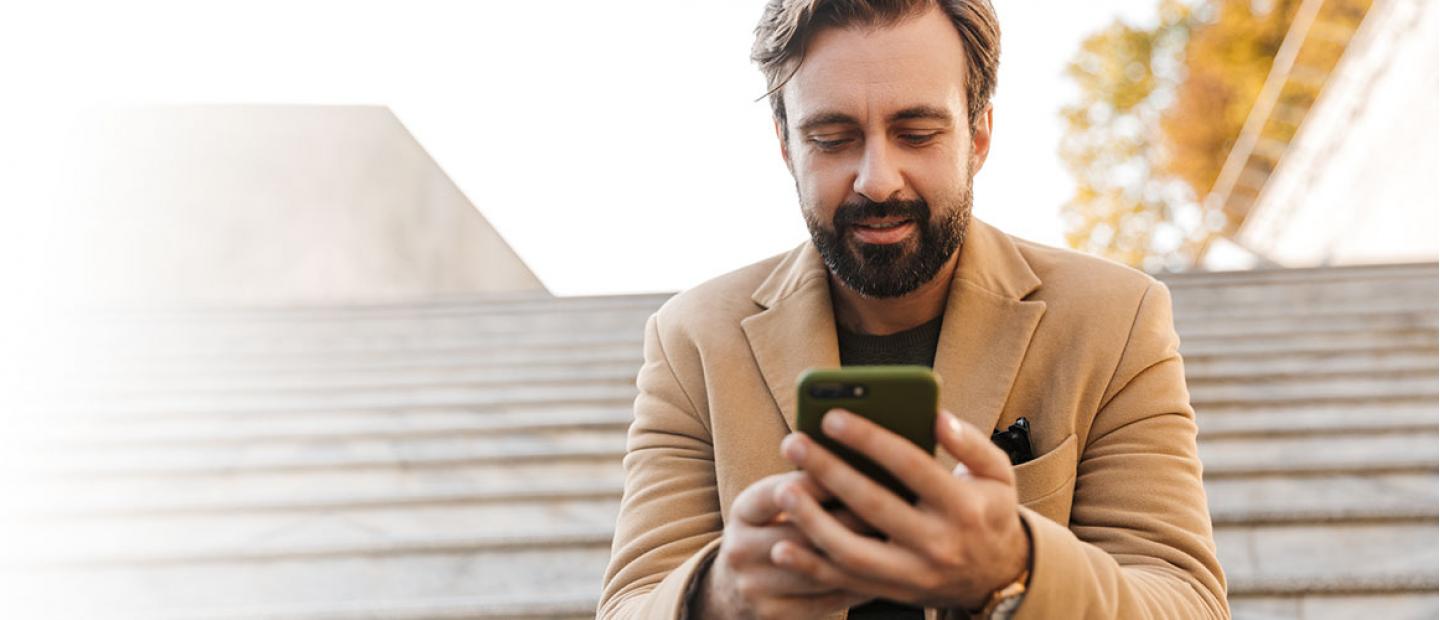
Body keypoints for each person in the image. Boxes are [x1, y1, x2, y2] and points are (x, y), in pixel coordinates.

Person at [598, 1, 1229, 618]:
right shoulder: (691, 340)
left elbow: (1187, 601)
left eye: (917, 134)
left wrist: (1017, 570)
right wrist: (721, 593)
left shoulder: (1115, 318)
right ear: (787, 146)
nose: (878, 179)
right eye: (832, 138)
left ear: (979, 134)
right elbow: (631, 604)